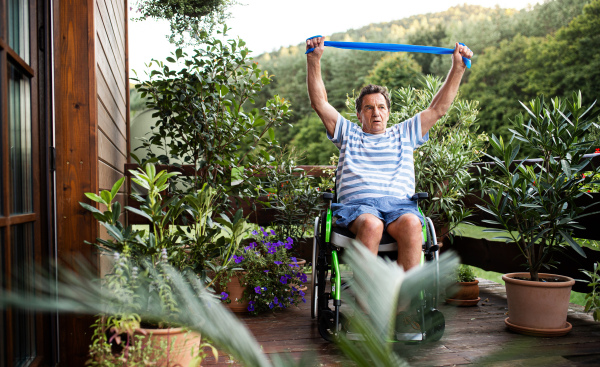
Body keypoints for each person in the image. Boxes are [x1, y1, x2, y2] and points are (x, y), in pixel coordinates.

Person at [306, 36, 473, 272]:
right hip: (359, 208)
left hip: (399, 206)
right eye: (369, 107)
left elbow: (438, 109)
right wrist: (314, 60)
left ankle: (403, 304)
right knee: (372, 225)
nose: (376, 113)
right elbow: (319, 103)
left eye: (381, 107)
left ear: (388, 112)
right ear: (359, 114)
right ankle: (367, 305)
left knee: (413, 224)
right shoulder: (348, 133)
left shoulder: (404, 133)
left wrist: (458, 68)